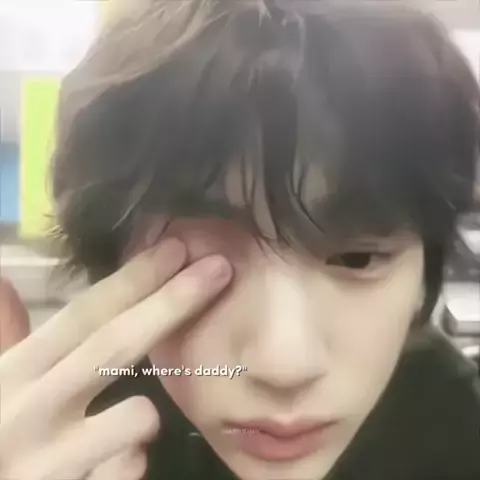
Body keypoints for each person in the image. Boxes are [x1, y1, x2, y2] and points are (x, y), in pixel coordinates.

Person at [1, 1, 480, 479]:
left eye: (357, 258)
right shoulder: (70, 434)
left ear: (424, 271)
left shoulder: (461, 433)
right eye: (198, 265)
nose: (284, 365)